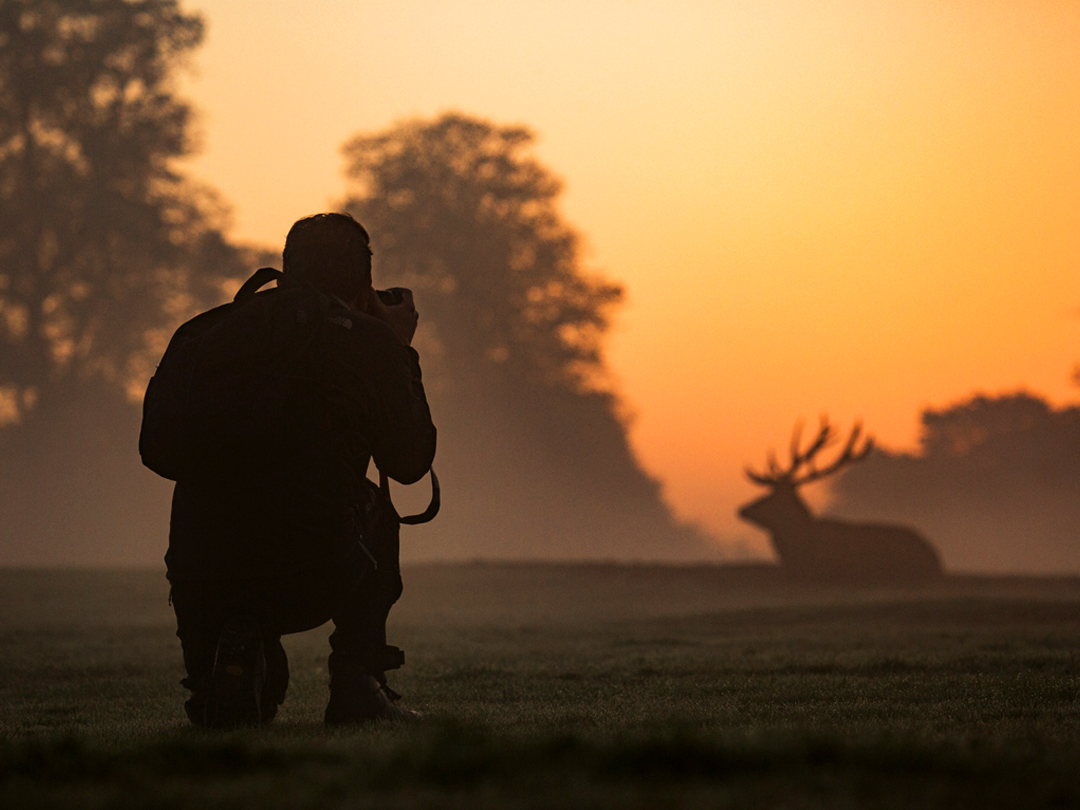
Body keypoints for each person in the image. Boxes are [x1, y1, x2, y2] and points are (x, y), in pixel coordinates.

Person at [164, 213, 437, 727]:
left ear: (288, 268)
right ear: (365, 285)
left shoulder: (209, 331)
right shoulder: (368, 343)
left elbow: (157, 453)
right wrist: (398, 349)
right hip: (315, 570)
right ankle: (358, 679)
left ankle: (224, 661)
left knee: (199, 502)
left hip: (206, 571)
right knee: (376, 507)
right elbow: (409, 462)